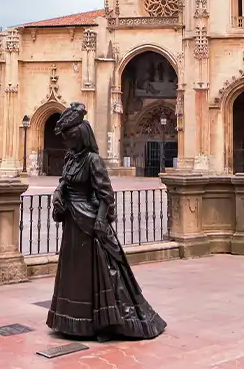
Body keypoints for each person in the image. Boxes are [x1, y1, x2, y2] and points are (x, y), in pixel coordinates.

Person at [46, 103, 166, 342]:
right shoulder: (71, 158)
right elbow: (65, 182)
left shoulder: (93, 160)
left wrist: (100, 221)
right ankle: (72, 319)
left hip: (90, 222)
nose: (67, 142)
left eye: (70, 137)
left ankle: (102, 321)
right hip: (73, 223)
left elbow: (106, 194)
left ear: (80, 136)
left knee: (99, 272)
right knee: (75, 272)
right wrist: (59, 193)